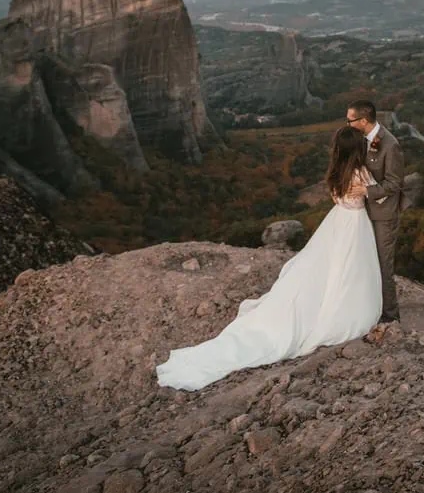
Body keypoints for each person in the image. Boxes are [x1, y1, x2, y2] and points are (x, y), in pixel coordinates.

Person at [155, 126, 383, 391]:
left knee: (332, 269)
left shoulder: (336, 172)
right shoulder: (359, 173)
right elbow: (381, 193)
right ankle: (345, 314)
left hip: (338, 222)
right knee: (349, 270)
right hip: (354, 226)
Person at [344, 100, 403, 323]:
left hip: (383, 215)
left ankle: (390, 318)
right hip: (363, 214)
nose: (347, 124)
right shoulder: (361, 139)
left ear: (363, 121)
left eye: (350, 120)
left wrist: (365, 190)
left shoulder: (390, 145)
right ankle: (370, 311)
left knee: (382, 266)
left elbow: (394, 183)